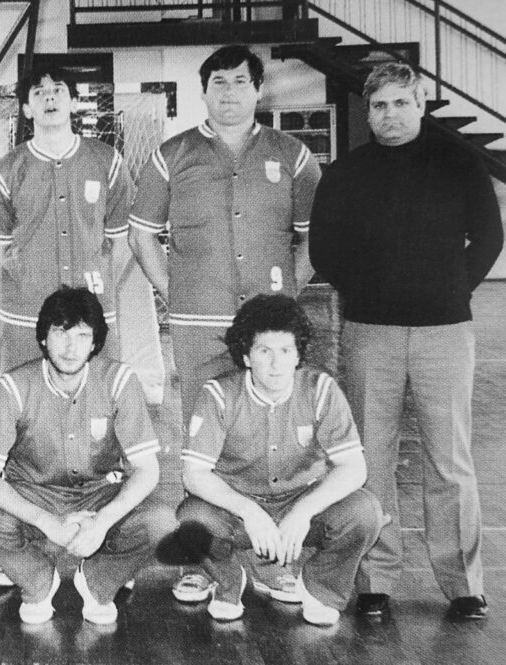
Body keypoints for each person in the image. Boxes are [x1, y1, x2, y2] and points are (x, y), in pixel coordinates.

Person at [127, 44, 322, 603]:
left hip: (269, 331)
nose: (229, 91)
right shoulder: (172, 155)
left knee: (270, 441)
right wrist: (175, 291)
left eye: (240, 81)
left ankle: (270, 561)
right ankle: (204, 564)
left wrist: (286, 300)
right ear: (204, 91)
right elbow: (141, 234)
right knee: (201, 445)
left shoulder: (292, 155)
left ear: (259, 89)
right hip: (199, 323)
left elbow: (314, 237)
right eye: (219, 82)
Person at [310, 62, 503, 621]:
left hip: (445, 330)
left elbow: (489, 236)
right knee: (371, 458)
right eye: (379, 106)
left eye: (400, 103)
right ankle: (376, 580)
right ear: (368, 112)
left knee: (450, 460)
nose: (389, 115)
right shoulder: (347, 173)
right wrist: (366, 292)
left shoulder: (458, 163)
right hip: (370, 331)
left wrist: (452, 288)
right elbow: (324, 250)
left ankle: (462, 583)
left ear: (421, 105)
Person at [175, 294, 383, 625]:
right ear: (246, 356)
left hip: (300, 500)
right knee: (191, 520)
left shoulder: (320, 389)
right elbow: (194, 474)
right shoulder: (218, 394)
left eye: (286, 351)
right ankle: (228, 581)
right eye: (264, 351)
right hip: (237, 510)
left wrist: (303, 511)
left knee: (365, 511)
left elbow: (354, 468)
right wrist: (249, 511)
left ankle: (320, 588)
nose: (276, 363)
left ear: (298, 354)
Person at [0, 287, 167, 625]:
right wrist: (46, 522)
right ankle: (37, 580)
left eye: (82, 335)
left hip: (100, 494)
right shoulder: (13, 386)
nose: (71, 348)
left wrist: (102, 522)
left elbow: (148, 470)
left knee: (162, 522)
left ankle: (99, 579)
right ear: (43, 338)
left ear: (95, 342)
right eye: (61, 333)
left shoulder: (118, 380)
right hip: (34, 494)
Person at [0, 65, 135, 374]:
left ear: (73, 102)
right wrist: (25, 283)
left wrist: (99, 280)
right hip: (25, 311)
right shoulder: (5, 169)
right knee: (22, 392)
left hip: (93, 305)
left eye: (58, 90)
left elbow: (123, 242)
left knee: (98, 390)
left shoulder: (107, 161)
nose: (50, 98)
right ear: (26, 109)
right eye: (39, 92)